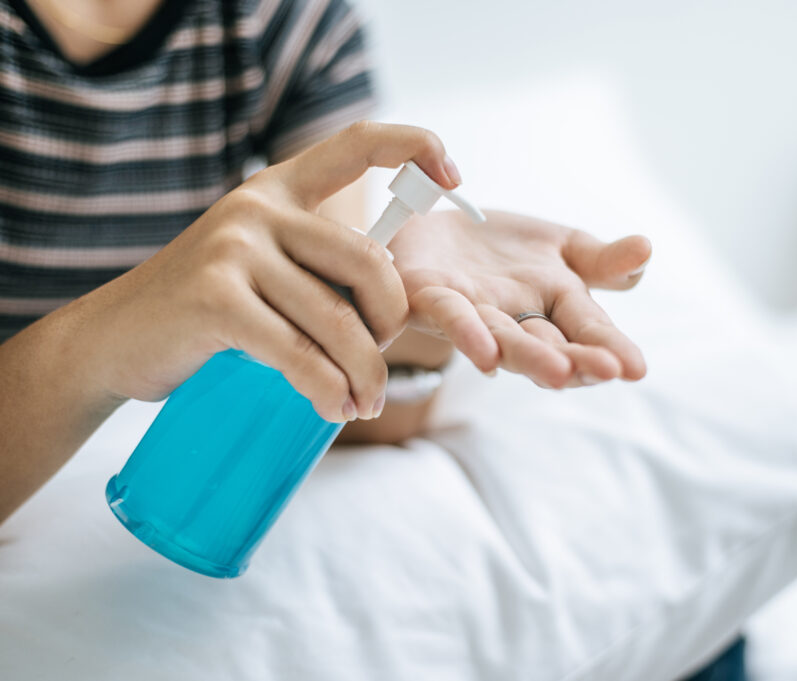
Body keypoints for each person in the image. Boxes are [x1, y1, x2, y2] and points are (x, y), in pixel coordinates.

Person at [0, 1, 743, 678]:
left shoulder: (283, 20)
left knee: (702, 634)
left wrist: (406, 315)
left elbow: (341, 376)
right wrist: (102, 341)